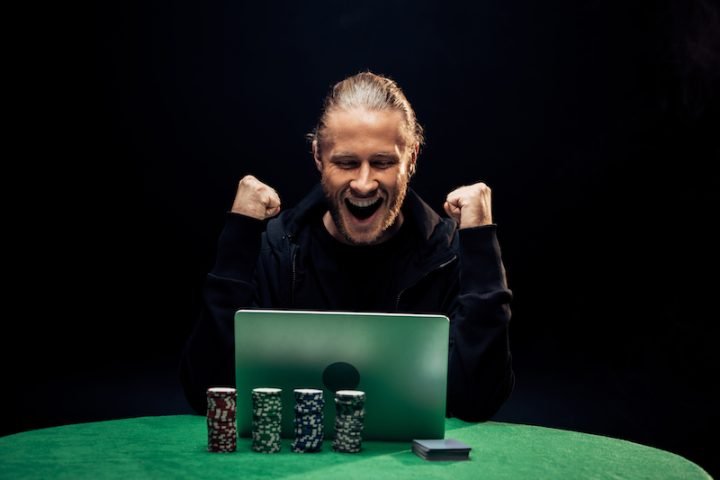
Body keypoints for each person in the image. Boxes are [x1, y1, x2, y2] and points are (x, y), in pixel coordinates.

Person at [180, 71, 514, 422]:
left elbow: (478, 400)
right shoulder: (276, 249)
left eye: (383, 163)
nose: (365, 183)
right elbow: (205, 391)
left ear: (411, 159)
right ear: (318, 158)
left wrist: (480, 242)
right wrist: (239, 235)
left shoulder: (447, 253)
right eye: (347, 163)